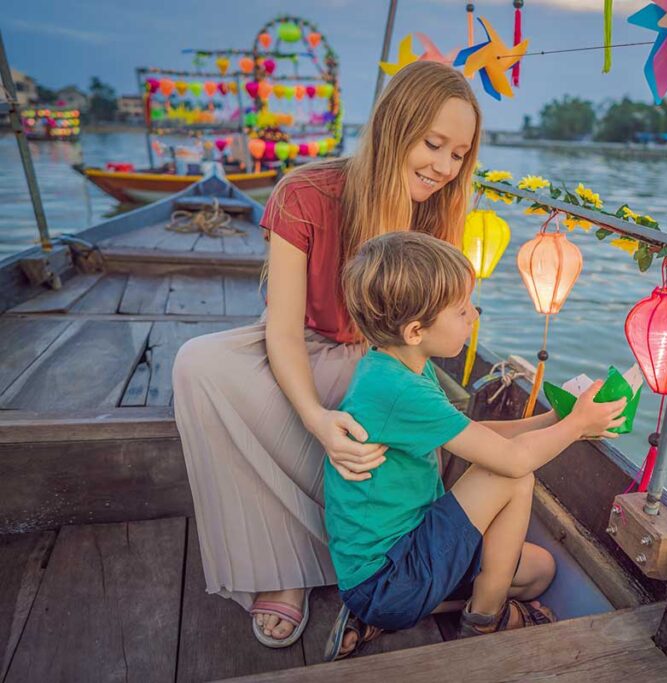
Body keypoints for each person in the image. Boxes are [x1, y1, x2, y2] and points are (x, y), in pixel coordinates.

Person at [171, 62, 485, 648]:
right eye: (433, 144)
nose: (444, 167)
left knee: (388, 400)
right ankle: (280, 566)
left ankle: (375, 557)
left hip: (383, 359)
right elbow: (284, 331)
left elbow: (425, 333)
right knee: (197, 364)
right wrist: (316, 419)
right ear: (393, 128)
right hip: (305, 345)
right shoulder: (305, 193)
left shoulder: (439, 209)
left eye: (459, 154)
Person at [323, 232, 625, 657]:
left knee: (539, 572)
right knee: (514, 476)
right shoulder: (396, 389)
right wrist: (577, 426)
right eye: (461, 309)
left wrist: (558, 418)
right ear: (415, 331)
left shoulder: (401, 364)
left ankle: (380, 617)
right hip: (387, 577)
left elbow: (477, 434)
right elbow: (512, 460)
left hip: (407, 555)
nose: (473, 314)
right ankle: (485, 620)